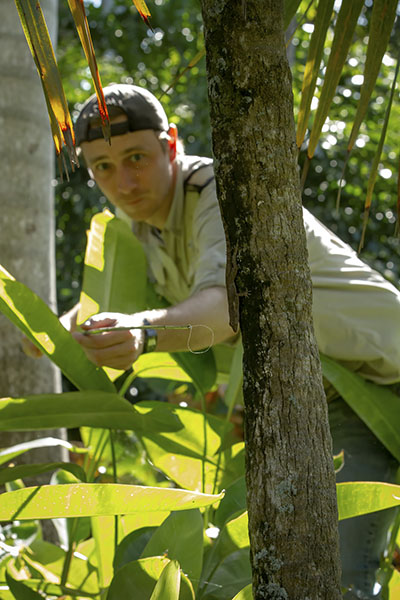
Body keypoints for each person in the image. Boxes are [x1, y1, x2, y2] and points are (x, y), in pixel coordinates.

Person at [35, 84, 400, 598]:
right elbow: (109, 304)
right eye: (103, 167)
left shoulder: (221, 191)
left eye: (135, 157)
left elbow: (226, 312)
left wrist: (144, 332)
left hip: (381, 383)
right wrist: (52, 331)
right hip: (315, 405)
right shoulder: (140, 224)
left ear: (171, 144)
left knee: (338, 580)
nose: (124, 181)